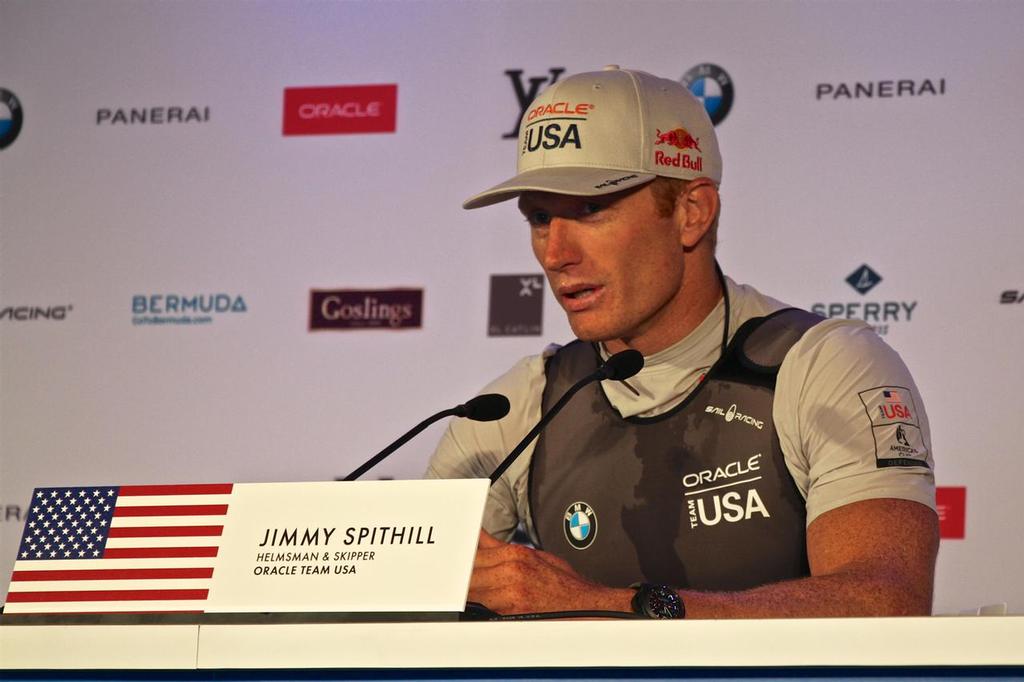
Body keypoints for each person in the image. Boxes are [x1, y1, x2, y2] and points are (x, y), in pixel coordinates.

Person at [426, 66, 938, 619]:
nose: (556, 254)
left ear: (692, 213)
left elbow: (885, 601)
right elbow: (401, 604)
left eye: (591, 210)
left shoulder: (825, 367)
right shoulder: (516, 409)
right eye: (541, 217)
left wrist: (606, 606)